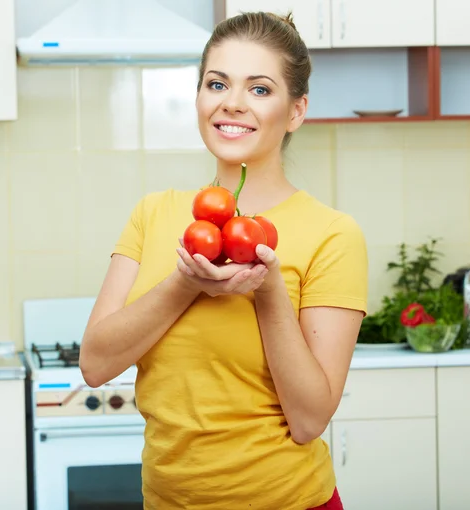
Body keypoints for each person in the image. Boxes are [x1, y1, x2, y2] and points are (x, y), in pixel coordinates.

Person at [80, 10, 368, 510]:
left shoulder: (332, 234)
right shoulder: (154, 213)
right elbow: (95, 365)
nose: (232, 104)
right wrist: (184, 284)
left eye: (259, 89)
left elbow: (308, 420)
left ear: (296, 111)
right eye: (216, 83)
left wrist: (268, 291)